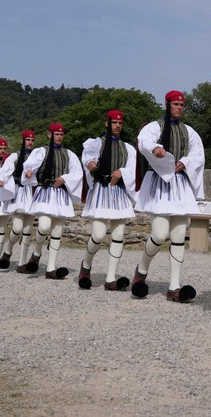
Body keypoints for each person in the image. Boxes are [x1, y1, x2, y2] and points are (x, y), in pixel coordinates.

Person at [132, 90, 205, 303]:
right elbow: (143, 141)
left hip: (180, 185)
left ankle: (174, 286)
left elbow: (198, 154)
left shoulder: (188, 131)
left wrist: (186, 162)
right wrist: (155, 148)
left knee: (179, 236)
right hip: (160, 184)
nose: (179, 108)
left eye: (182, 105)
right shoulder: (154, 127)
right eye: (175, 104)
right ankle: (141, 270)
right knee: (159, 234)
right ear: (167, 104)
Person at [78, 110, 137, 291]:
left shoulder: (128, 149)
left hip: (119, 193)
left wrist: (122, 172)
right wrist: (89, 163)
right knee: (98, 235)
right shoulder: (97, 143)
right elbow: (87, 156)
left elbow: (134, 169)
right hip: (101, 190)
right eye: (114, 122)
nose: (117, 125)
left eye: (120, 123)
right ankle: (86, 265)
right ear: (107, 123)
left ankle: (110, 279)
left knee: (118, 236)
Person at [21, 123, 83, 279]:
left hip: (60, 195)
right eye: (56, 134)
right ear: (50, 135)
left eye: (61, 134)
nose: (59, 137)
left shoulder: (69, 154)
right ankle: (37, 253)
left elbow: (77, 173)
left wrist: (65, 178)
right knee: (43, 226)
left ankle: (50, 268)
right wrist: (29, 171)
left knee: (57, 231)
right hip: (45, 191)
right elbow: (31, 164)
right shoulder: (42, 151)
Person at [0, 130, 36, 270]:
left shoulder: (37, 156)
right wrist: (1, 179)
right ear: (22, 141)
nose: (30, 142)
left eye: (32, 140)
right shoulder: (15, 156)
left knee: (28, 230)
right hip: (18, 193)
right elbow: (5, 170)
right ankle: (8, 251)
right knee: (17, 228)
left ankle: (22, 263)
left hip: (31, 194)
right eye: (28, 140)